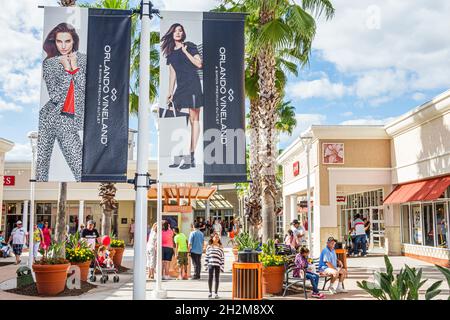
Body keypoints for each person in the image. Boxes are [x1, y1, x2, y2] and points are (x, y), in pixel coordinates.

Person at [36, 22, 87, 182]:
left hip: (74, 116)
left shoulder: (84, 59)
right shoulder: (50, 64)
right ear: (54, 42)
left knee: (81, 169)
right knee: (41, 166)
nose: (63, 46)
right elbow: (56, 96)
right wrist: (67, 70)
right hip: (52, 118)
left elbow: (86, 88)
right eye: (59, 41)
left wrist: (75, 67)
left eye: (67, 41)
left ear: (74, 41)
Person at [161, 23, 203, 170]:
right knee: (178, 122)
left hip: (193, 85)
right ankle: (179, 155)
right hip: (181, 88)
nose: (178, 33)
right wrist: (170, 91)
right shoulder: (170, 53)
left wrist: (186, 52)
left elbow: (199, 64)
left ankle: (190, 156)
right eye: (175, 31)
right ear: (171, 34)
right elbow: (172, 74)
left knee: (194, 120)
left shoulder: (190, 46)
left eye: (180, 30)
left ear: (183, 33)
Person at [205, 233, 225, 299]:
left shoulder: (220, 246)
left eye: (218, 237)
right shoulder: (209, 246)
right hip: (210, 264)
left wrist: (222, 267)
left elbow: (222, 257)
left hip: (217, 265)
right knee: (210, 278)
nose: (217, 238)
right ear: (212, 238)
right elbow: (207, 256)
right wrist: (206, 266)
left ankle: (216, 293)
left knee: (217, 279)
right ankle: (210, 292)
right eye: (215, 237)